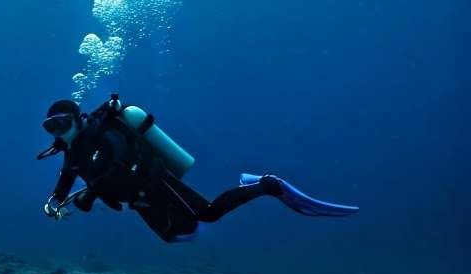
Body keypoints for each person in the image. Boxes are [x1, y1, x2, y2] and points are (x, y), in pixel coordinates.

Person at [39, 95, 357, 241]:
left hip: (153, 181)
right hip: (137, 197)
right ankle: (243, 192)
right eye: (50, 127)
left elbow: (120, 162)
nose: (57, 132)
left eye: (62, 123)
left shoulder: (103, 132)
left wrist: (91, 195)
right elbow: (68, 176)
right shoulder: (73, 150)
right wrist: (55, 200)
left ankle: (266, 185)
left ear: (78, 118)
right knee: (173, 236)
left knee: (208, 213)